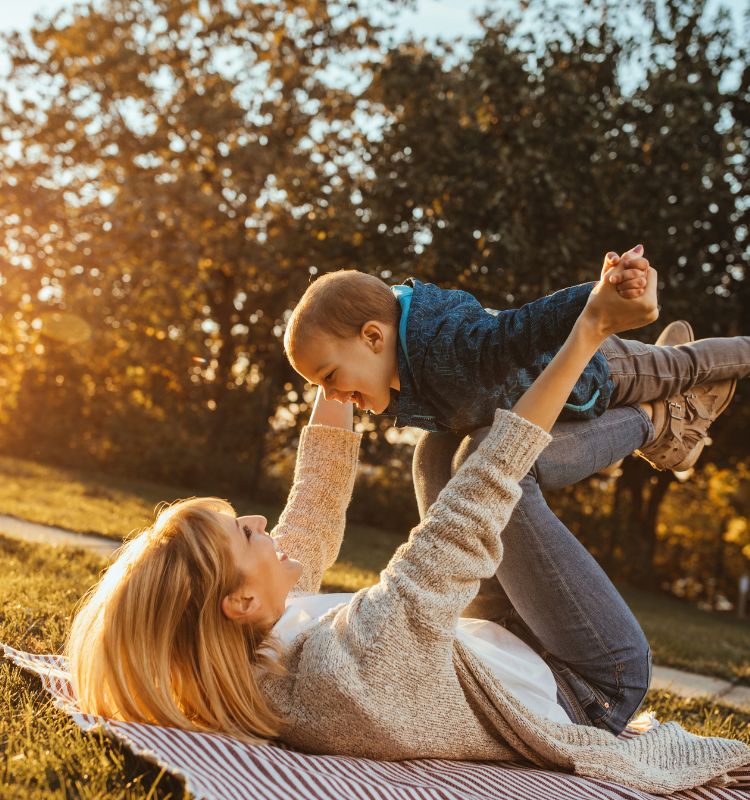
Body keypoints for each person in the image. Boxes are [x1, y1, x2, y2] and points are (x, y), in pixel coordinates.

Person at [66, 264, 750, 793]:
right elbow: (487, 483)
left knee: (435, 448)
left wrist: (333, 368)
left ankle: (663, 416)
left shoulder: (257, 642)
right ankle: (662, 419)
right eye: (243, 534)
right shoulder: (344, 672)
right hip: (587, 683)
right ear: (238, 600)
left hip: (500, 646)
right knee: (485, 460)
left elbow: (316, 502)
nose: (257, 520)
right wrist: (589, 331)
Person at [283, 248, 749, 471]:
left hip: (599, 368)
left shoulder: (450, 346)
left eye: (330, 376)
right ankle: (673, 420)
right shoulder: (395, 376)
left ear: (372, 337)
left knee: (683, 366)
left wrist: (598, 292)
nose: (331, 396)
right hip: (557, 410)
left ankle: (708, 378)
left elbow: (521, 328)